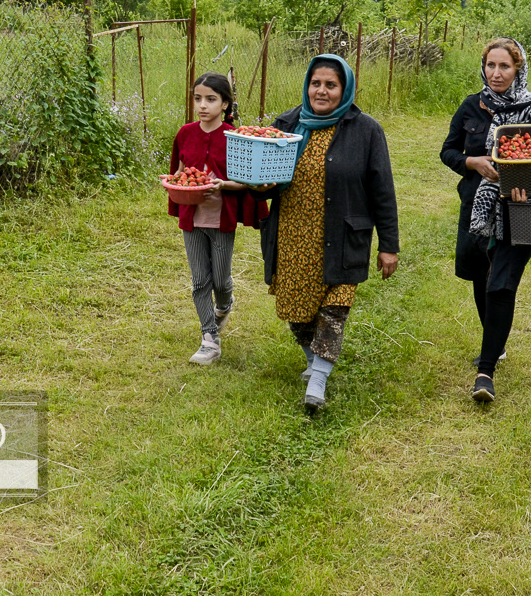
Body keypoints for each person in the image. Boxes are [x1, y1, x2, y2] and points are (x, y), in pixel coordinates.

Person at [253, 54, 399, 413]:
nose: (321, 91)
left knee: (334, 308)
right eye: (315, 83)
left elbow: (383, 190)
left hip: (343, 236)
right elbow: (266, 180)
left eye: (330, 85)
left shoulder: (365, 130)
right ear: (307, 85)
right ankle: (312, 358)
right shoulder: (287, 124)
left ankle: (317, 380)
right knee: (298, 311)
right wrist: (260, 187)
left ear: (344, 88)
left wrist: (389, 245)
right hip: (292, 233)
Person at [440, 37, 531, 403]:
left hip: (520, 210)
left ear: (518, 69)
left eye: (505, 66)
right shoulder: (472, 107)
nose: (496, 73)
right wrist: (470, 162)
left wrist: (529, 186)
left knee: (500, 285)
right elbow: (447, 150)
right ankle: (497, 343)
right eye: (491, 65)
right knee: (480, 276)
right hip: (476, 208)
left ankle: (485, 371)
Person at [169, 72, 267, 365]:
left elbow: (247, 182)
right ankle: (209, 338)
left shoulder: (235, 138)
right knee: (200, 281)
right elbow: (180, 172)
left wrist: (222, 185)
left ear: (225, 104)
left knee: (221, 281)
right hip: (193, 219)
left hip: (221, 220)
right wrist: (175, 180)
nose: (203, 105)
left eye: (211, 99)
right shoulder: (185, 133)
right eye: (198, 98)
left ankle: (225, 305)